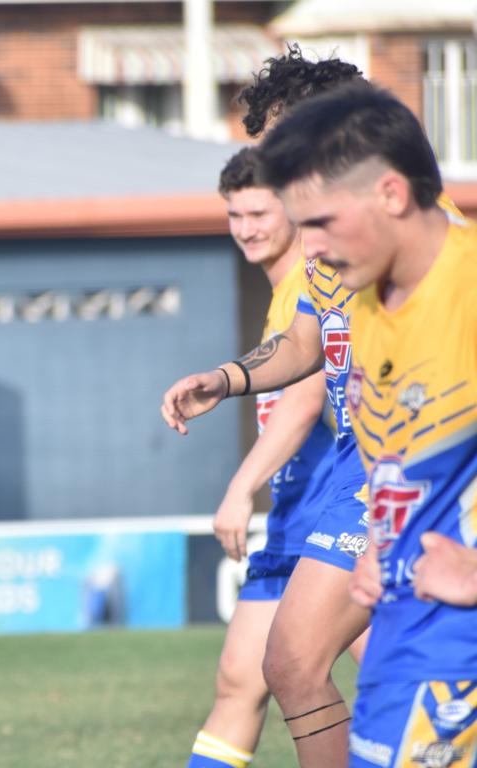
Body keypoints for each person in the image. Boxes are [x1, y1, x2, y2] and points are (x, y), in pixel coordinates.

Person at [162, 47, 373, 768]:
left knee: (398, 672)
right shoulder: (321, 242)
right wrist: (224, 380)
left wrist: (240, 486)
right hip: (356, 478)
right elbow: (304, 346)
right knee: (286, 668)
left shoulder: (410, 216)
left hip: (418, 466)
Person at [258, 82, 477, 768]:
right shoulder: (367, 319)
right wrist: (388, 547)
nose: (311, 252)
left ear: (389, 194)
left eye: (322, 223)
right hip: (402, 649)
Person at [186, 147, 333, 768]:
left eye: (258, 212)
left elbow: (304, 399)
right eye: (234, 214)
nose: (245, 228)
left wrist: (240, 487)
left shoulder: (312, 279)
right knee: (240, 681)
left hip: (337, 512)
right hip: (294, 515)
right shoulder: (283, 297)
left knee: (399, 676)